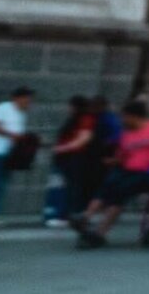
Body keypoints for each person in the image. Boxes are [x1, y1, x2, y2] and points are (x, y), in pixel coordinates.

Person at [72, 100, 149, 249]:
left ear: (135, 116)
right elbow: (122, 156)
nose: (123, 120)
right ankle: (86, 216)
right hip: (128, 169)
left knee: (120, 191)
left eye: (125, 117)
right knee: (109, 183)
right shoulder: (126, 134)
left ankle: (100, 232)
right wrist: (111, 161)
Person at [0, 86, 34, 224]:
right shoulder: (3, 108)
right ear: (17, 98)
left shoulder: (22, 113)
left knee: (1, 184)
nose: (28, 101)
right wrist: (11, 135)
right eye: (26, 98)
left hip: (11, 154)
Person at [45, 96, 97, 225]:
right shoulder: (75, 119)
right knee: (63, 187)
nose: (69, 109)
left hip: (74, 157)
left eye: (71, 106)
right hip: (66, 158)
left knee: (69, 188)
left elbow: (83, 140)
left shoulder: (86, 119)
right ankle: (59, 214)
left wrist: (62, 148)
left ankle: (65, 214)